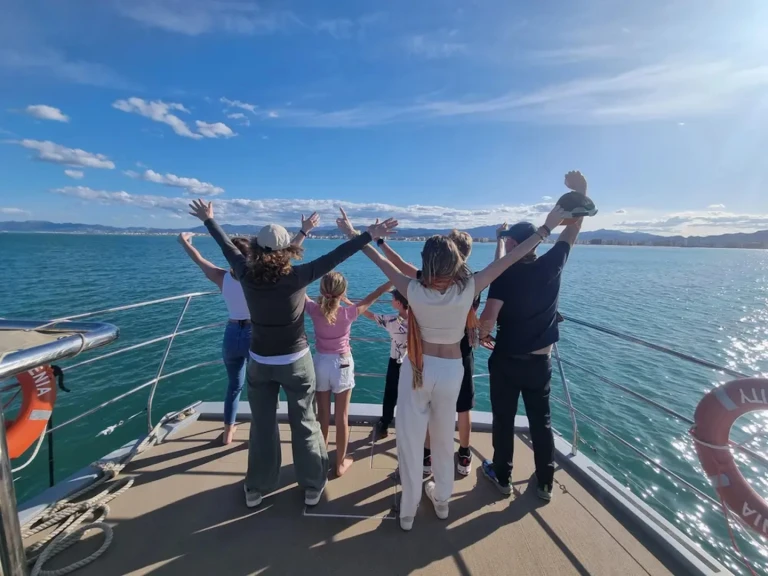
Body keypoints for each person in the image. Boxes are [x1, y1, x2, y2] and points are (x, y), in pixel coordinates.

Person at [335, 205, 566, 532]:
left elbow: (379, 260)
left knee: (410, 440)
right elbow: (510, 259)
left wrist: (351, 233)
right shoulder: (468, 287)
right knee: (444, 437)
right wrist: (545, 229)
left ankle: (408, 512)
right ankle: (442, 502)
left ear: (427, 262)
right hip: (452, 370)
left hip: (418, 370)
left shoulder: (413, 289)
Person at [188, 199, 397, 509]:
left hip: (260, 361)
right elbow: (338, 254)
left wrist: (209, 219)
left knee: (262, 426)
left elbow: (227, 247)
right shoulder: (299, 276)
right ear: (287, 250)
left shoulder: (244, 272)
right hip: (296, 362)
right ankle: (312, 486)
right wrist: (368, 234)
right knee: (305, 423)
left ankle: (256, 488)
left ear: (256, 248)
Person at [479, 170, 587, 502]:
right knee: (541, 422)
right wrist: (582, 192)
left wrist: (482, 333)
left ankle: (502, 476)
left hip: (507, 360)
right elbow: (572, 230)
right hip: (540, 362)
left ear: (516, 244)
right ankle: (544, 483)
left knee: (504, 420)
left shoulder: (504, 276)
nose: (508, 243)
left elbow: (487, 320)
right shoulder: (552, 265)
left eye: (509, 240)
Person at [177, 215, 318, 445]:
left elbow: (200, 260)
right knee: (266, 387)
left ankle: (228, 432)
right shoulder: (256, 279)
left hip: (232, 334)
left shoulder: (222, 277)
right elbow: (282, 255)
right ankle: (265, 428)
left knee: (234, 386)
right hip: (257, 336)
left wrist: (185, 243)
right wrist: (304, 231)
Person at [372, 230, 480, 476]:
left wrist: (379, 243)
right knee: (463, 407)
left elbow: (400, 265)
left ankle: (426, 457)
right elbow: (499, 264)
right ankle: (463, 455)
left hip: (428, 353)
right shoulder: (472, 283)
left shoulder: (430, 280)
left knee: (429, 408)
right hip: (461, 353)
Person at [304, 274, 392, 477]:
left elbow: (300, 291)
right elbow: (375, 294)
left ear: (322, 291)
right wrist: (390, 282)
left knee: (322, 416)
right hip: (342, 364)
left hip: (320, 363)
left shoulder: (313, 310)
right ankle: (340, 464)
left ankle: (321, 462)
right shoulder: (348, 313)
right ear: (343, 292)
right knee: (341, 417)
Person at [361, 288, 409, 439]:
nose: (391, 300)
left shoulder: (392, 321)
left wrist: (352, 305)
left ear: (399, 303)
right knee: (408, 396)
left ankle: (384, 425)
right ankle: (407, 427)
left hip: (396, 362)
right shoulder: (418, 321)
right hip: (412, 363)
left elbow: (370, 315)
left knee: (390, 394)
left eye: (393, 298)